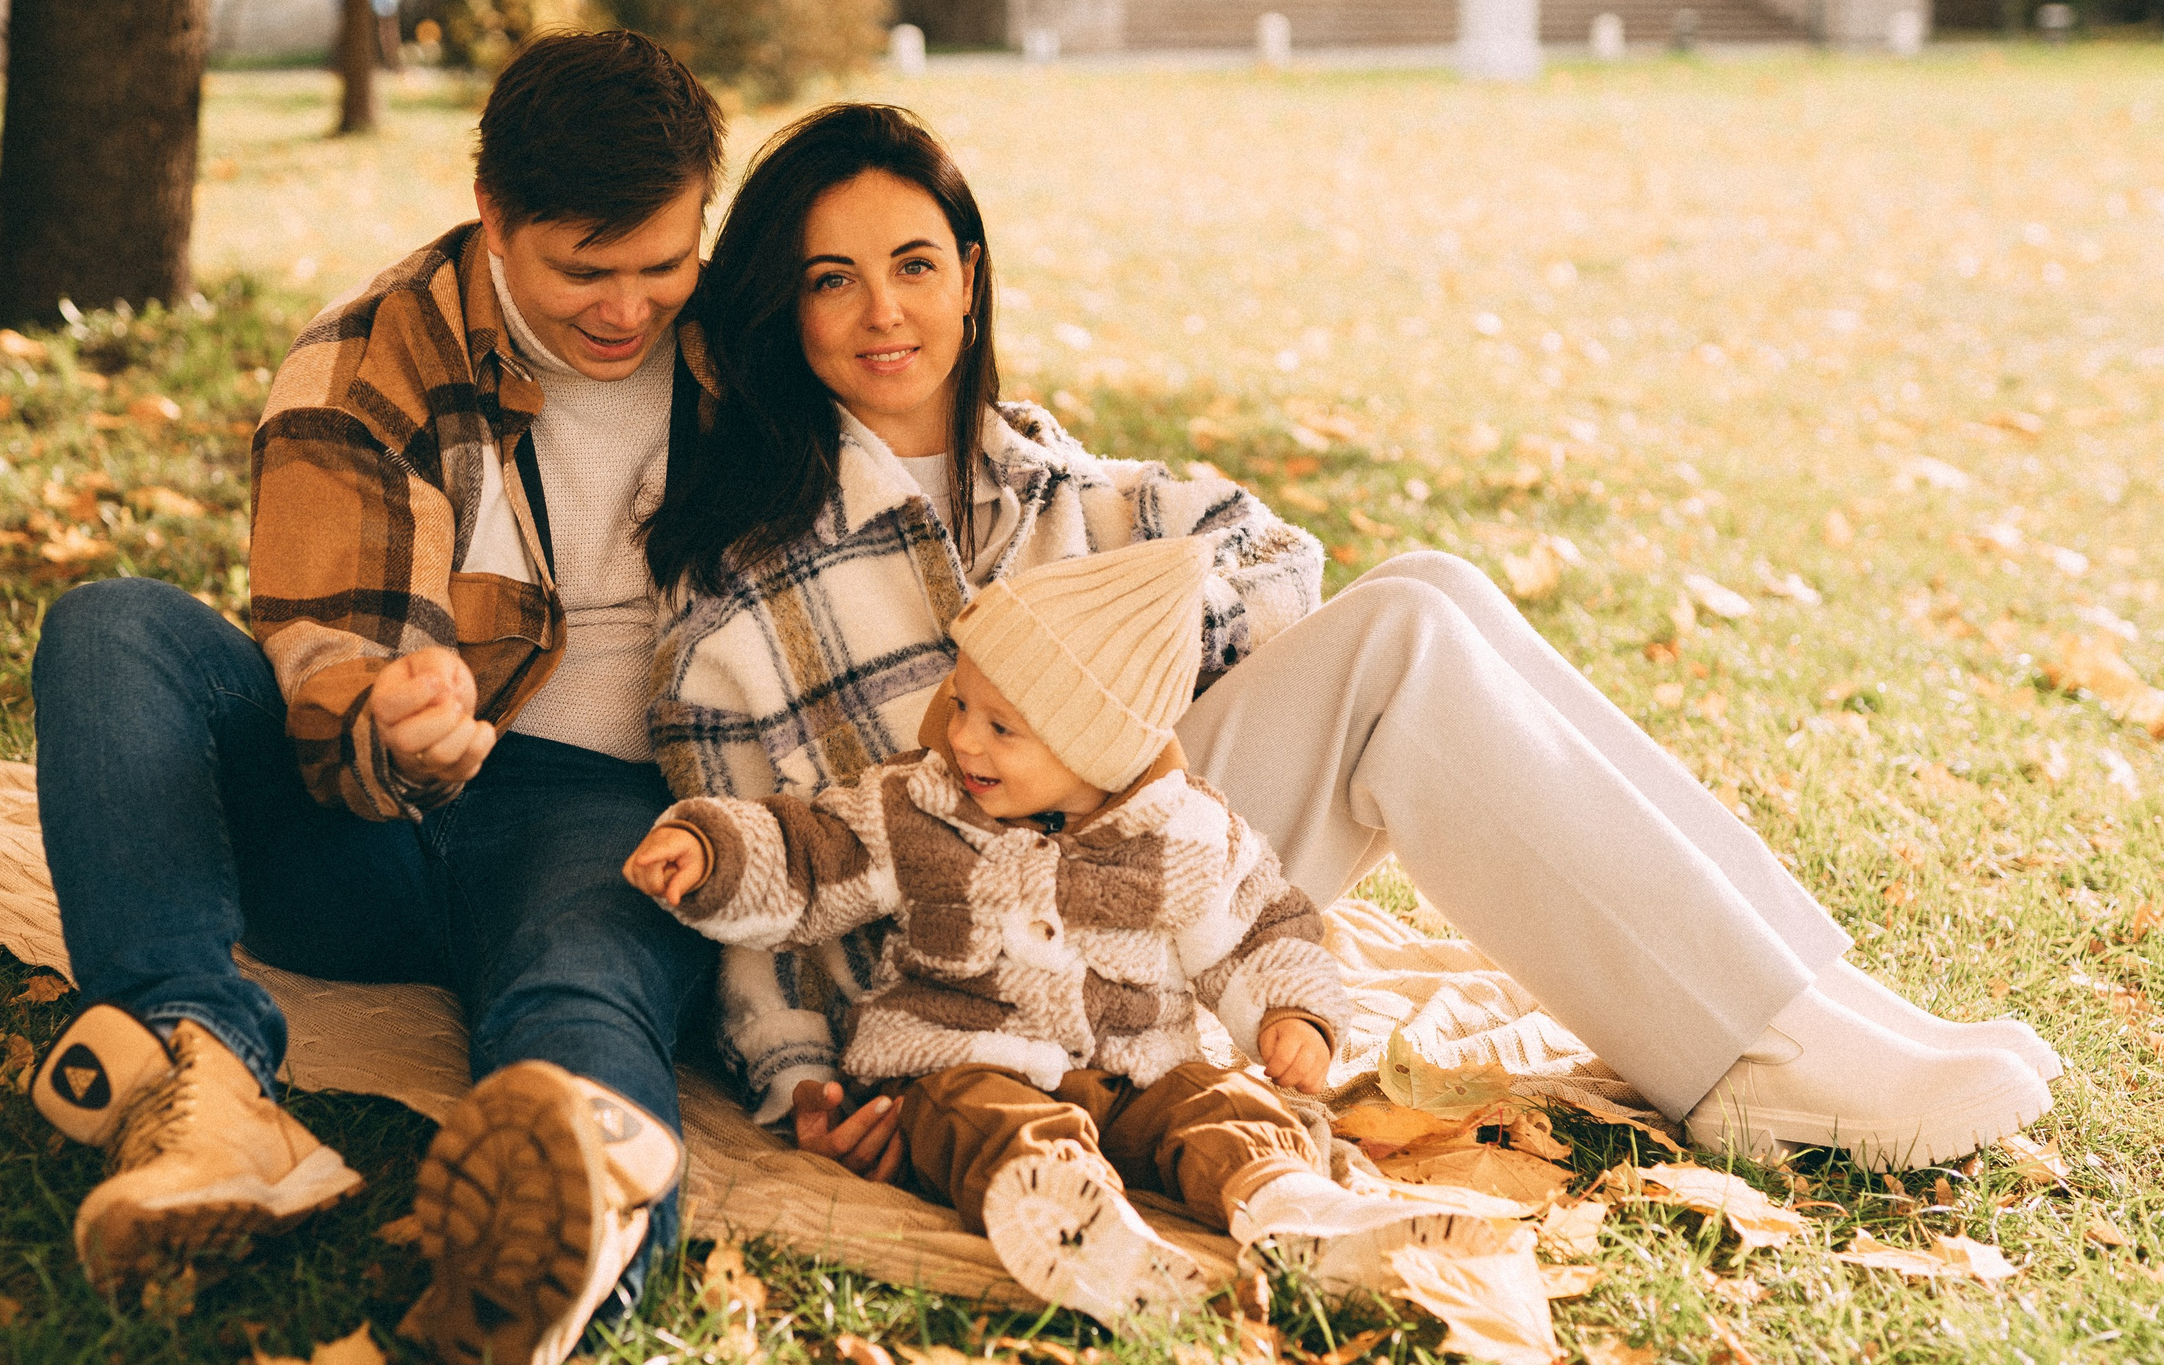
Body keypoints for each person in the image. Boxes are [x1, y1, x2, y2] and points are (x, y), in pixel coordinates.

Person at [645, 102, 2058, 1183]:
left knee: (1426, 584)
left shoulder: (1061, 483)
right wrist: (797, 1082)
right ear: (784, 310)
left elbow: (1274, 561)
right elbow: (743, 881)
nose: (884, 310)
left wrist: (1108, 676)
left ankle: (1808, 1000)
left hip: (1156, 898)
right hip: (974, 991)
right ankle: (1745, 1057)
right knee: (1402, 635)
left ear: (971, 277)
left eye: (914, 263)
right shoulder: (748, 580)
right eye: (833, 279)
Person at [27, 30, 725, 1365]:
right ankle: (203, 1079)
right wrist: (393, 718)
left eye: (664, 262)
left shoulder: (744, 352)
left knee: (576, 994)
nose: (629, 310)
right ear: (495, 220)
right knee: (109, 626)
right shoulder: (366, 360)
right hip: (366, 829)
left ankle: (570, 1246)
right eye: (585, 268)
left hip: (611, 819)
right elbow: (330, 649)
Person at [629, 537, 1495, 1321]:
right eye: (961, 703)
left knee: (1222, 1101)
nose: (961, 737)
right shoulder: (919, 805)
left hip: (1136, 1066)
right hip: (961, 1057)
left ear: (1101, 748)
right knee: (977, 1118)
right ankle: (1066, 1218)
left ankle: (1291, 1204)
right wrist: (712, 855)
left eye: (1001, 727)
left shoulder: (1183, 834)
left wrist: (1292, 1016)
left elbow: (1258, 928)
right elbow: (815, 852)